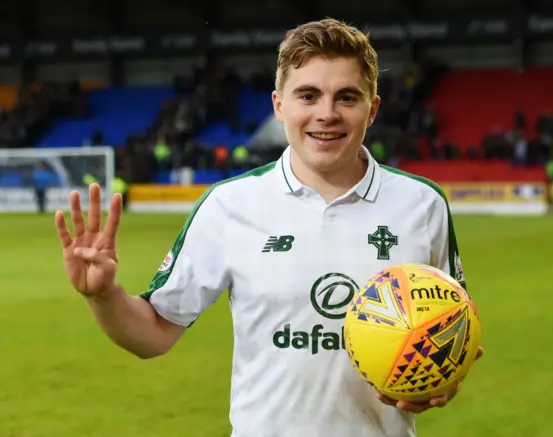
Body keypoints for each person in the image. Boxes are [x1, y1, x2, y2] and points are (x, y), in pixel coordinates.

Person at [55, 18, 483, 437]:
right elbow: (154, 333)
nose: (326, 114)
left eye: (347, 98)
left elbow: (449, 328)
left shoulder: (422, 204)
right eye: (308, 95)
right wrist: (104, 295)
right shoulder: (230, 205)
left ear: (371, 110)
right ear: (280, 105)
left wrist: (443, 379)